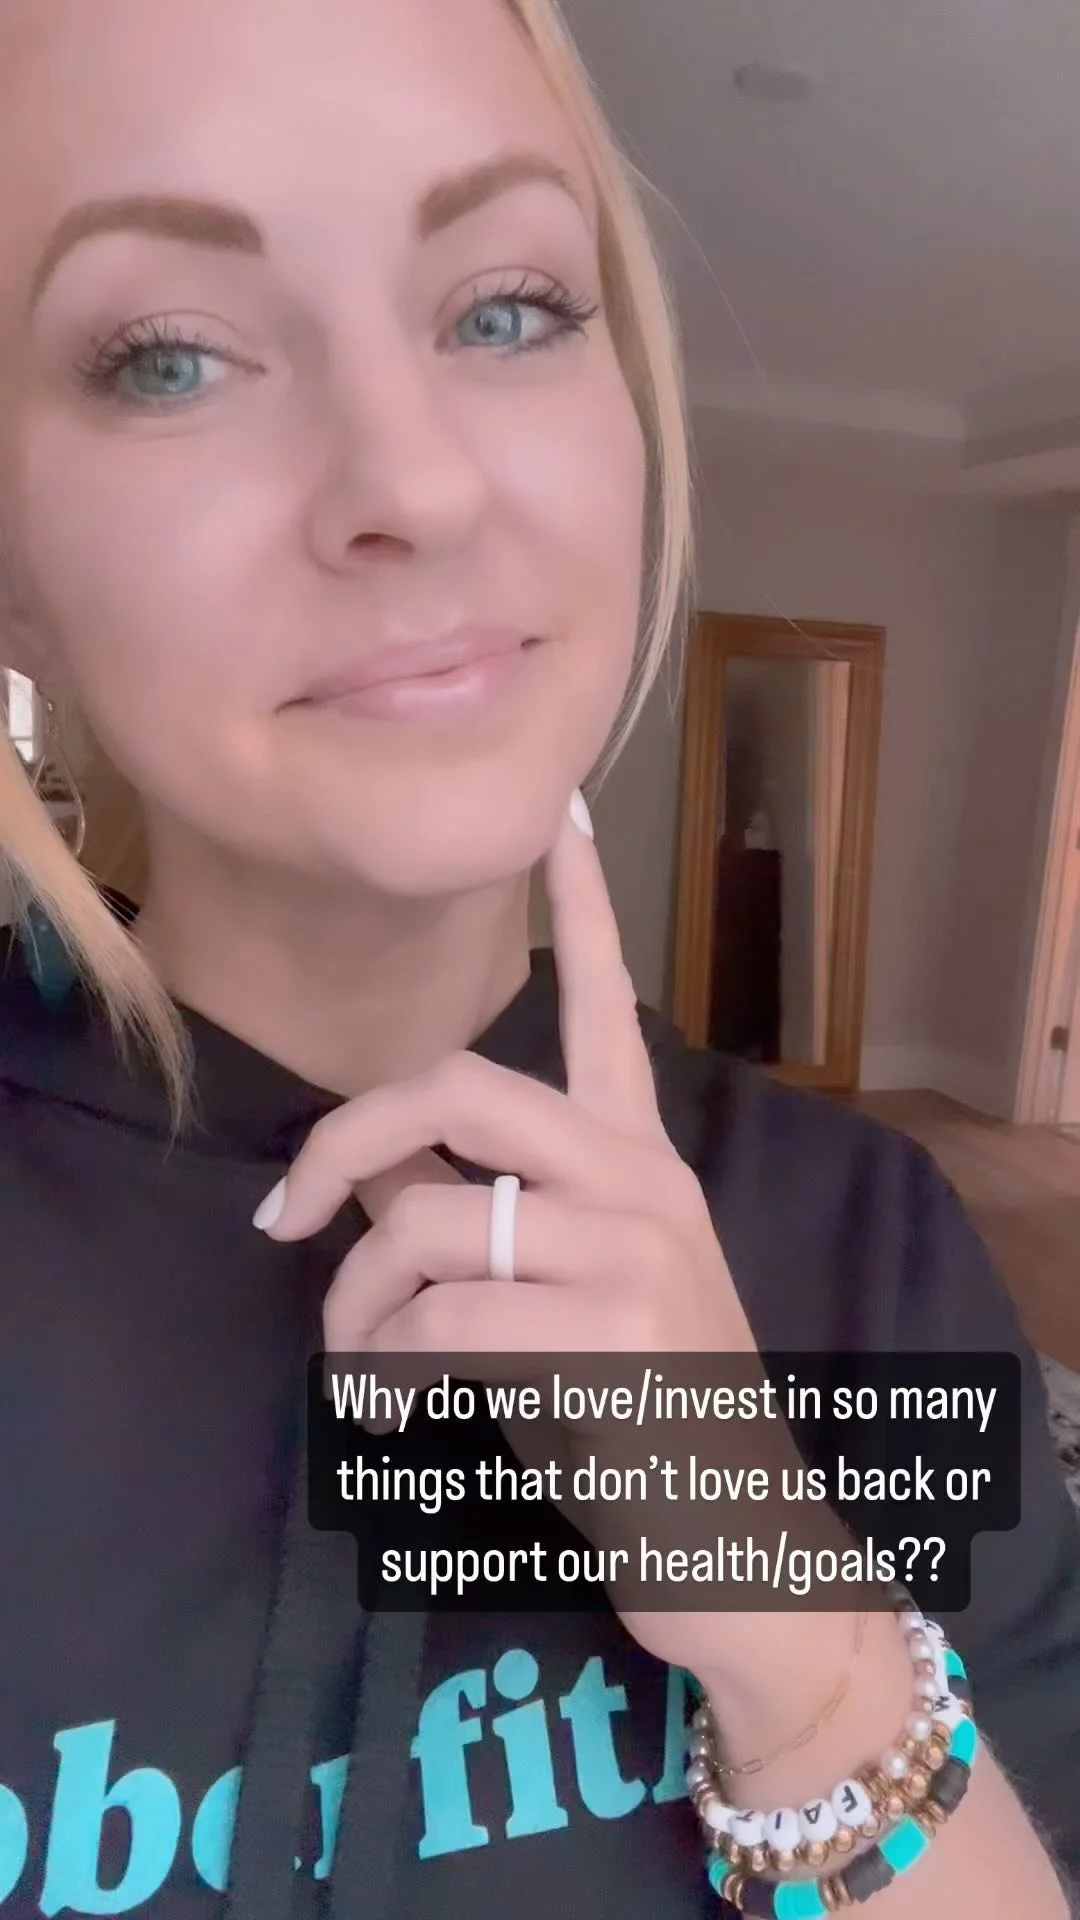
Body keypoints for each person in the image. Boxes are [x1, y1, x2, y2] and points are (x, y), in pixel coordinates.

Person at [0, 0, 1077, 1915]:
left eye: (505, 310)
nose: (412, 485)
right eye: (170, 356)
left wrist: (790, 1623)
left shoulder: (868, 1242)